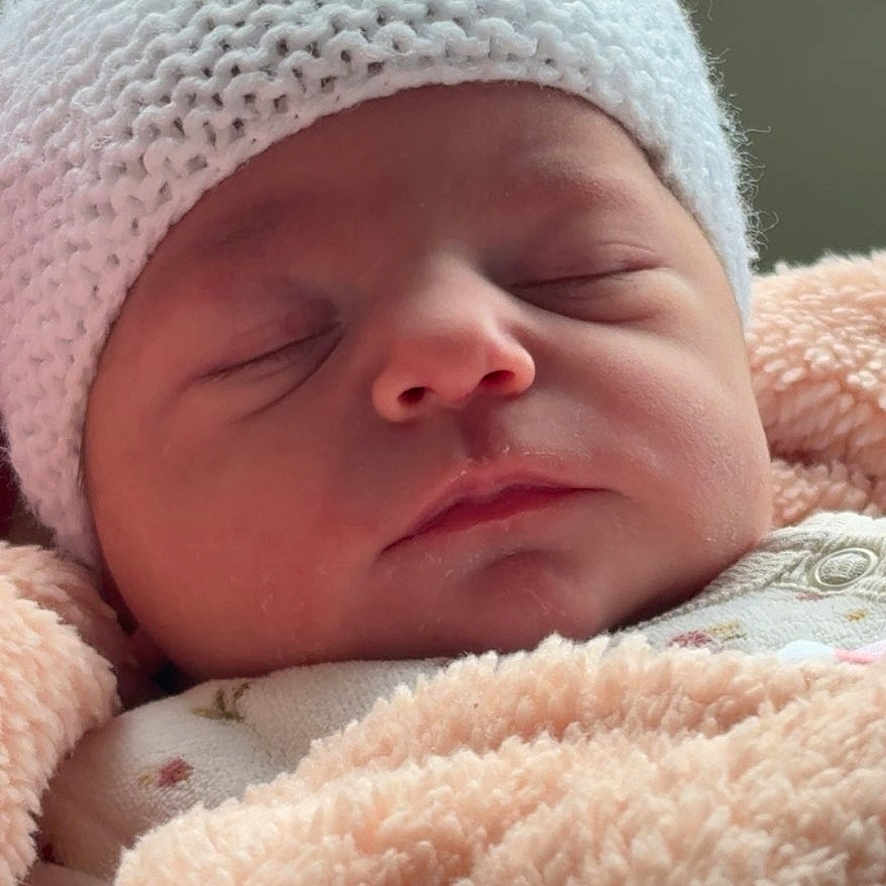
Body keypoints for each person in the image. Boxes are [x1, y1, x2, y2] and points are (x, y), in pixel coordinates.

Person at [0, 0, 882, 879]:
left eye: (580, 269)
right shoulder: (98, 804)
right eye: (273, 344)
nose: (459, 347)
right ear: (105, 555)